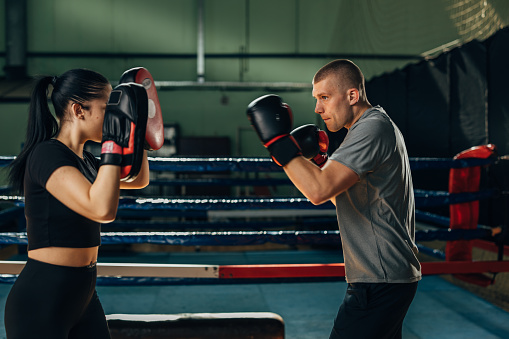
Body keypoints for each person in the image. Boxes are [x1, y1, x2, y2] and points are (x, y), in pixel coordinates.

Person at [247, 59, 421, 339]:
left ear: (352, 95)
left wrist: (276, 142)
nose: (318, 108)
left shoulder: (371, 128)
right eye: (316, 99)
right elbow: (338, 195)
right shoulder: (369, 126)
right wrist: (319, 162)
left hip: (380, 279)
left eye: (325, 97)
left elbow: (318, 191)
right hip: (386, 276)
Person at [4, 68, 150, 339]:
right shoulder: (46, 154)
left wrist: (136, 129)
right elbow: (102, 209)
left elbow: (137, 179)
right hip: (42, 299)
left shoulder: (88, 161)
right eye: (108, 109)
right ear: (78, 110)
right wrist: (113, 143)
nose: (112, 117)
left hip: (82, 295)